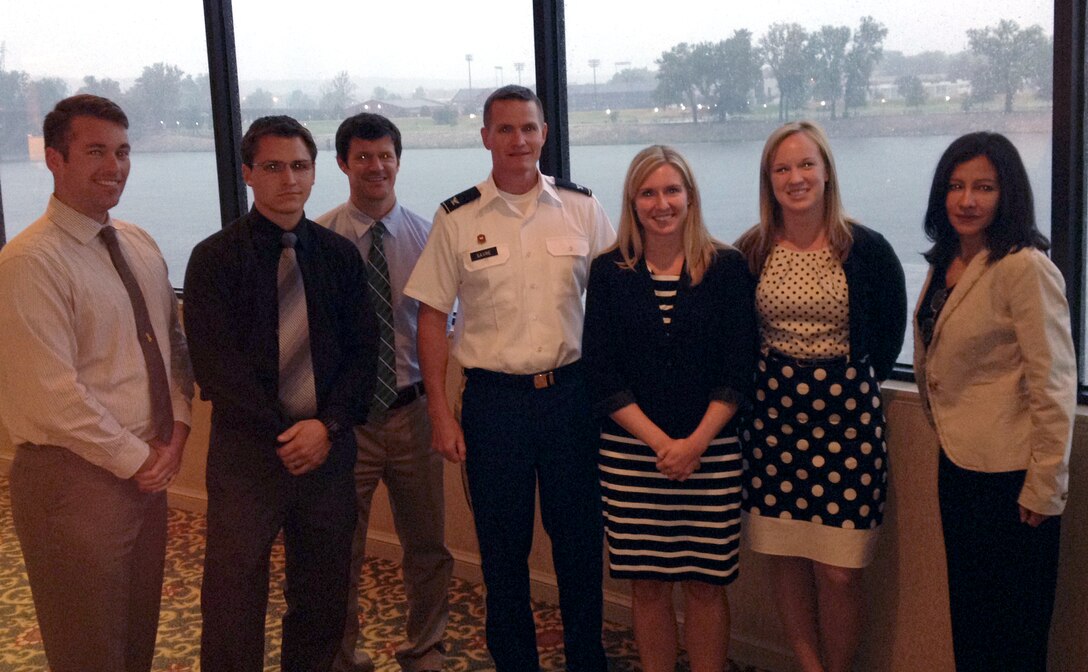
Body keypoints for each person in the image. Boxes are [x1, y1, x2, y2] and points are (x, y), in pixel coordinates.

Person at [404, 84, 614, 672]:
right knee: (502, 551)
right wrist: (441, 415)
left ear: (544, 133)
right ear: (486, 137)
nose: (518, 140)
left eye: (528, 128)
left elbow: (616, 303)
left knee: (578, 547)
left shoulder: (582, 208)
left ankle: (586, 661)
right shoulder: (457, 217)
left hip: (571, 400)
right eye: (505, 129)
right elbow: (429, 317)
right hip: (494, 407)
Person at [0, 94, 193, 672]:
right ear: (54, 159)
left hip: (146, 470)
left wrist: (178, 431)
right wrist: (140, 459)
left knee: (137, 635)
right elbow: (53, 398)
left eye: (123, 152)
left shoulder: (138, 242)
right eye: (96, 152)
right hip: (70, 481)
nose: (115, 166)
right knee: (86, 646)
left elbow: (172, 346)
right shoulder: (29, 262)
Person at [184, 115, 378, 671]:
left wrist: (326, 428)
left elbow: (363, 354)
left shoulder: (339, 257)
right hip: (249, 457)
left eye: (299, 166)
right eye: (273, 167)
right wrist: (285, 433)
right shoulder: (214, 258)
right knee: (233, 597)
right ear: (248, 173)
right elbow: (217, 368)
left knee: (321, 598)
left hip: (326, 453)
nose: (288, 179)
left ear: (315, 173)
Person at [735, 120, 906, 672]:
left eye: (806, 164)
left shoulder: (868, 249)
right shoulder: (752, 250)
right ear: (769, 180)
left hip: (848, 419)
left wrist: (844, 383)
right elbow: (736, 335)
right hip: (772, 419)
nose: (795, 177)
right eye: (782, 168)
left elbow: (887, 334)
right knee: (785, 557)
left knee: (839, 569)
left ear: (827, 171)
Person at [582, 145, 756, 671]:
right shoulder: (610, 272)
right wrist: (663, 446)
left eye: (672, 190)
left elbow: (738, 368)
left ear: (690, 197)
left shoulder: (726, 268)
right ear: (633, 202)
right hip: (633, 460)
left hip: (712, 456)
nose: (662, 203)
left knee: (706, 586)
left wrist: (694, 445)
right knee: (649, 587)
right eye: (649, 192)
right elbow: (602, 374)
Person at [913, 132, 1075, 672]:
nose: (967, 200)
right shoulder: (946, 263)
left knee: (1015, 629)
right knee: (972, 616)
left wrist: (1045, 485)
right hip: (960, 467)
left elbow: (1053, 383)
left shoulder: (1023, 267)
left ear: (1007, 195)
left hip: (1014, 480)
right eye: (956, 186)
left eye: (983, 187)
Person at [316, 113, 453, 672]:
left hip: (413, 412)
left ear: (399, 160)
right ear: (344, 163)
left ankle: (426, 647)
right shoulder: (318, 241)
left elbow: (449, 327)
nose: (377, 166)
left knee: (427, 546)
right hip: (345, 421)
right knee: (340, 550)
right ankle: (343, 655)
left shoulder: (429, 238)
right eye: (364, 157)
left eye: (386, 156)